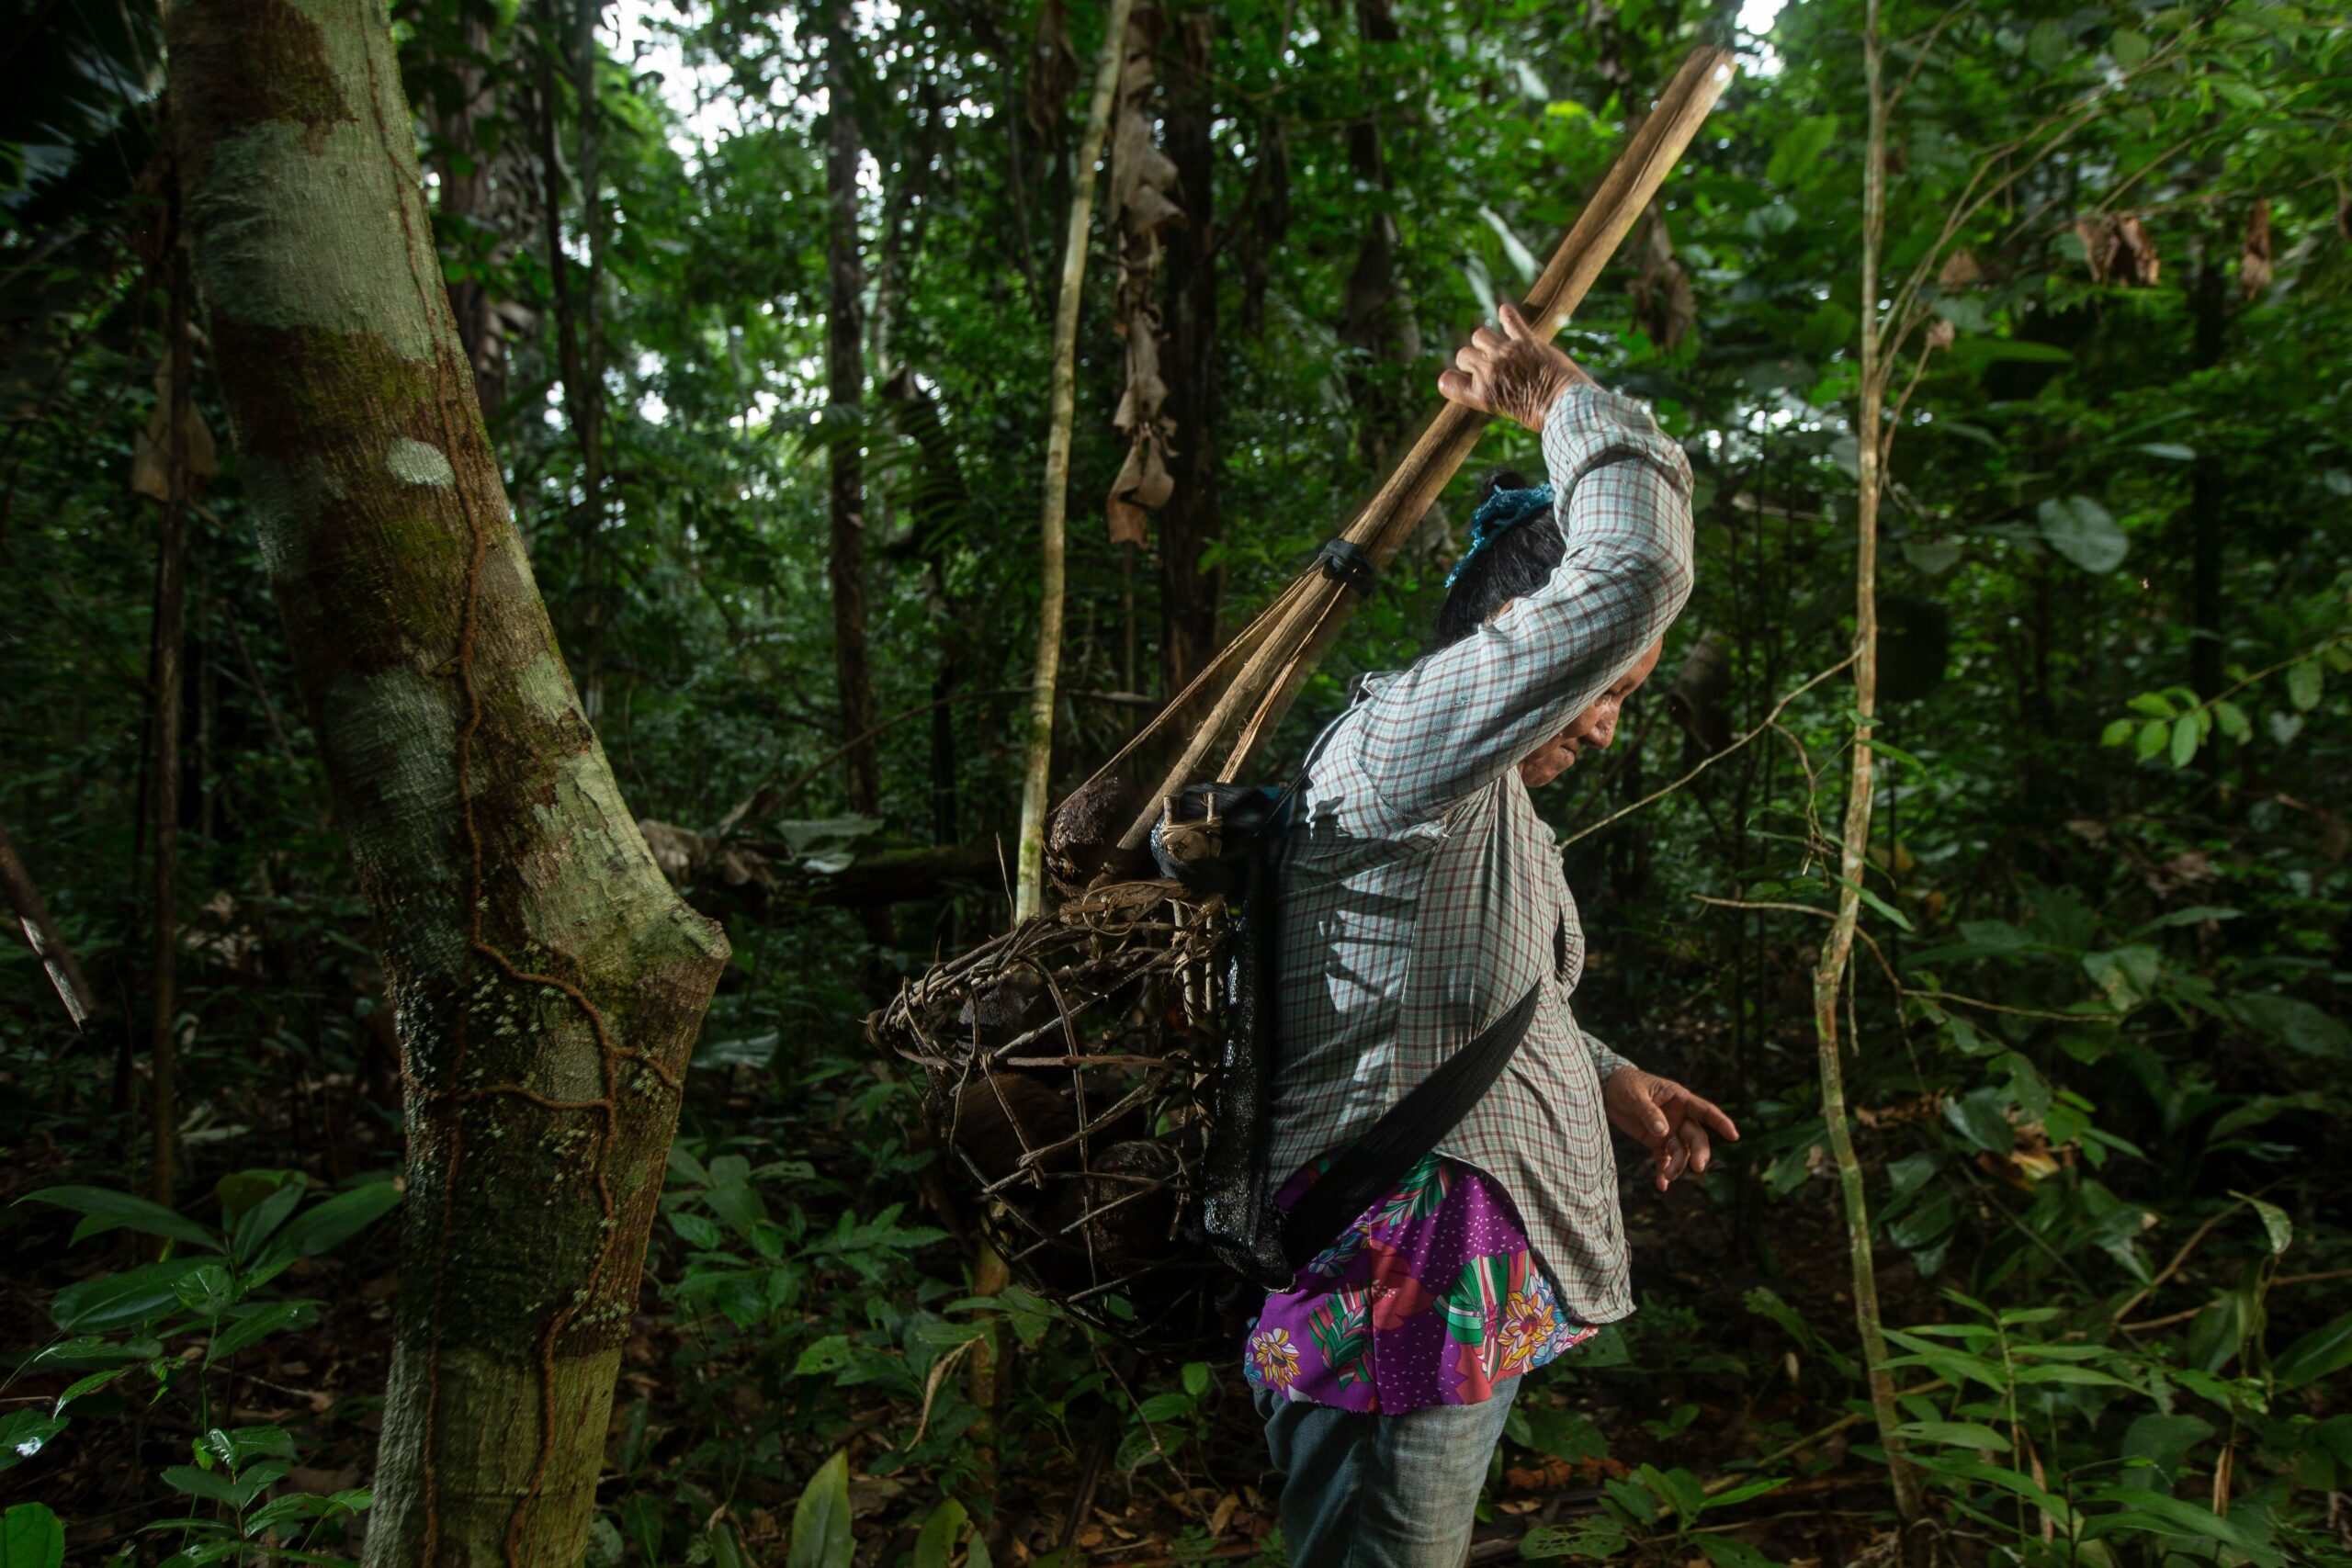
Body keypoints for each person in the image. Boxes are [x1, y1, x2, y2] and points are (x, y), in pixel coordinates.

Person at [1241, 302, 1739, 1566]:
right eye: (1608, 683)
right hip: (1394, 1278)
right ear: (1524, 646)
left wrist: (1612, 1077)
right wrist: (1558, 391)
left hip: (1449, 1279)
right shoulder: (1407, 740)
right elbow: (1637, 570)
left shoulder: (1489, 801)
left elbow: (1479, 998)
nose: (1612, 723)